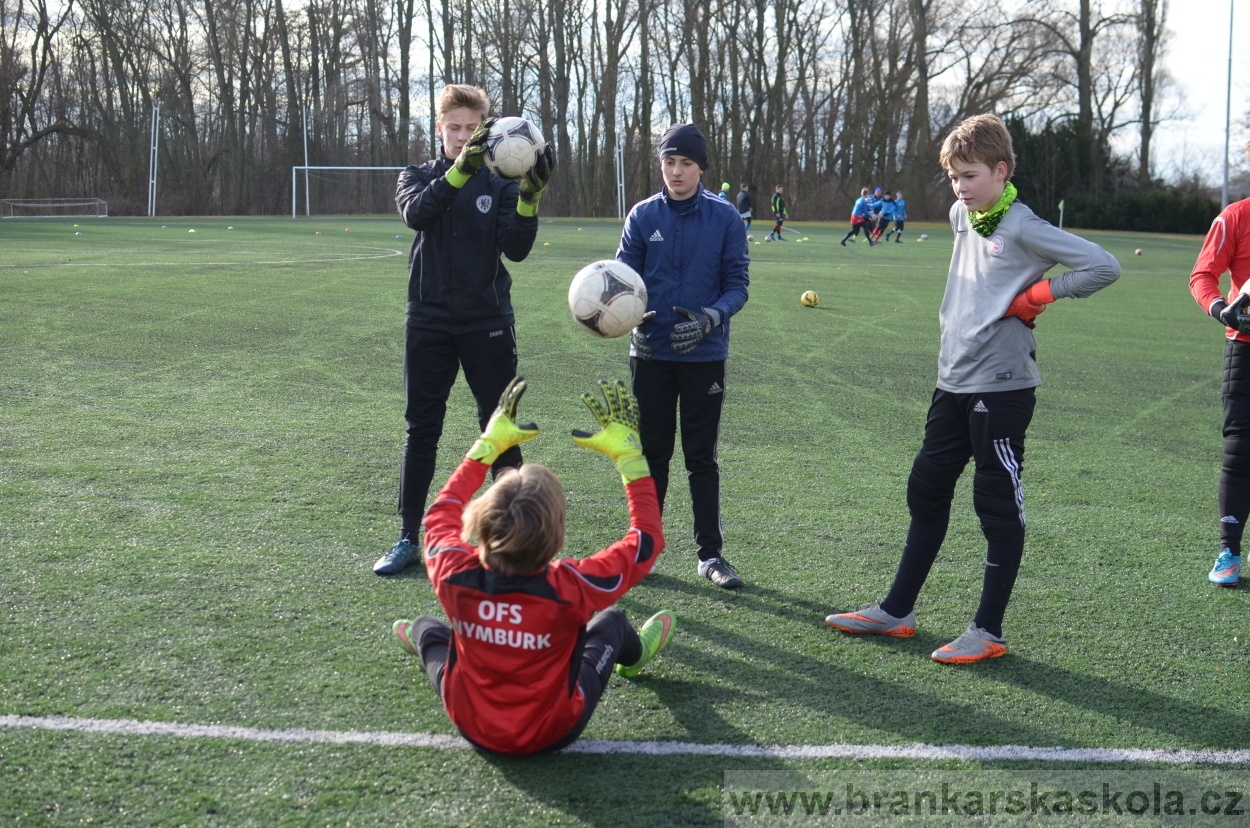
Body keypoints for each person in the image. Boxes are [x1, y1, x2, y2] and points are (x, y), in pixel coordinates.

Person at [824, 114, 1120, 662]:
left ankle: (988, 631)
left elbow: (1104, 266)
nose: (959, 188)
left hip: (1002, 387)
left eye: (970, 175)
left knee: (995, 504)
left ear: (1001, 170)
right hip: (952, 380)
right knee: (926, 489)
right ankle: (896, 611)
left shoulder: (1025, 225)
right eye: (954, 176)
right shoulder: (965, 215)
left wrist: (1039, 296)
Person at [392, 378, 677, 755]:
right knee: (612, 623)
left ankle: (425, 641)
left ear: (481, 521)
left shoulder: (453, 574)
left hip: (471, 724)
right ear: (557, 538)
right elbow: (645, 542)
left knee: (428, 628)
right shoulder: (571, 586)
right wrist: (630, 460)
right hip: (553, 730)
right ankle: (635, 656)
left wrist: (487, 447)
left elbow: (440, 514)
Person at [375, 84, 555, 575]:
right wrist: (461, 169)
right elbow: (419, 213)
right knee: (422, 429)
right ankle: (409, 535)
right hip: (428, 322)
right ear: (439, 129)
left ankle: (521, 542)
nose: (461, 136)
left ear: (487, 130)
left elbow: (515, 248)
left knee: (500, 430)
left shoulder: (501, 184)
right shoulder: (417, 176)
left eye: (471, 128)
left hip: (488, 323)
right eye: (453, 128)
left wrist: (529, 200)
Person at [618, 123, 750, 589]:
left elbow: (738, 286)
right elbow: (622, 283)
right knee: (651, 454)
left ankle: (710, 556)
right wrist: (635, 323)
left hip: (705, 356)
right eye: (669, 162)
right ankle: (645, 549)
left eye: (686, 163)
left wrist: (710, 318)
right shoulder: (642, 215)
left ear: (701, 168)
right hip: (650, 353)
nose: (676, 171)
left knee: (701, 457)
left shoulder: (726, 217)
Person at [1187, 138, 1250, 587]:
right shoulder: (1236, 217)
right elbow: (1203, 275)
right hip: (1244, 346)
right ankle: (1229, 551)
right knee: (1240, 448)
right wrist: (1220, 308)